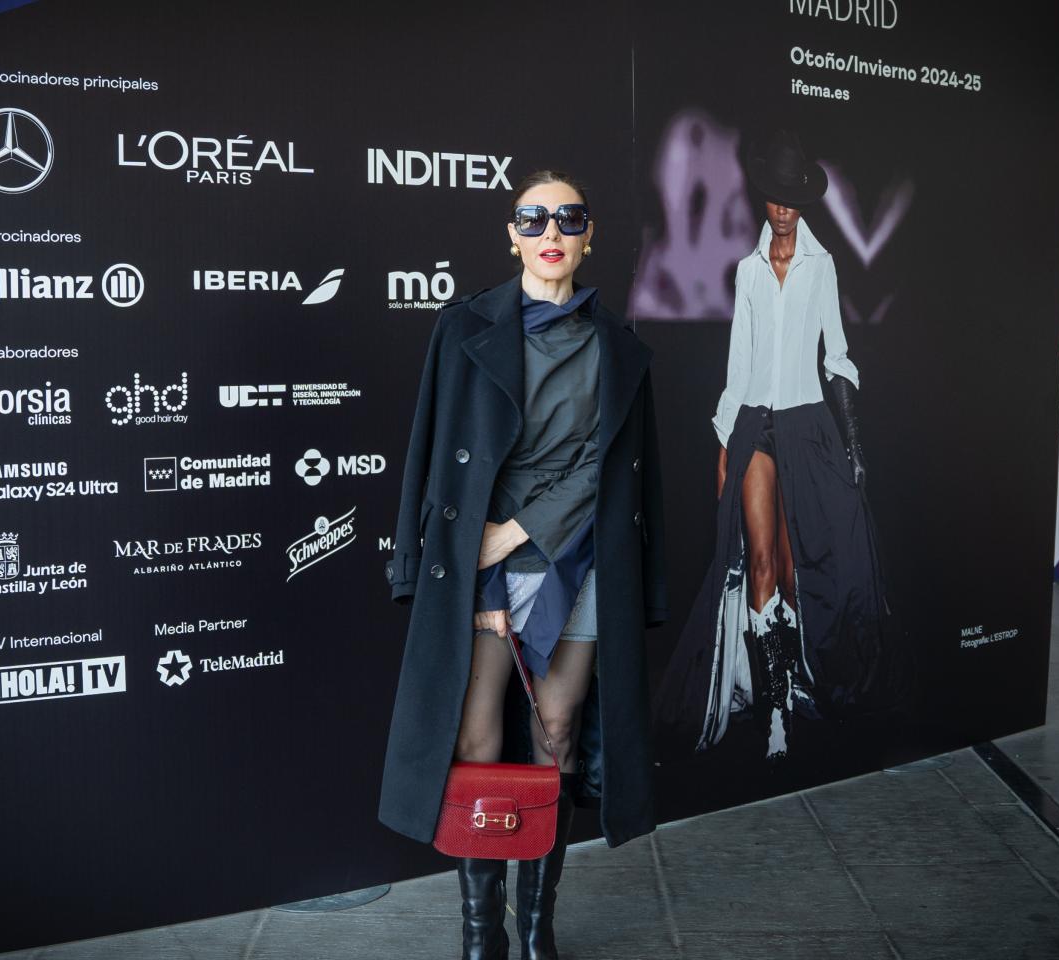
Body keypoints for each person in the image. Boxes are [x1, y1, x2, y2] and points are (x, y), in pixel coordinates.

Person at [379, 170, 668, 960]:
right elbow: (432, 456)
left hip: (579, 564)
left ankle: (536, 930)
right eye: (532, 217)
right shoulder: (463, 327)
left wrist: (517, 534)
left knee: (558, 736)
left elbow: (606, 468)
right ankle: (482, 935)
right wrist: (475, 561)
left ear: (588, 234)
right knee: (474, 741)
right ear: (511, 235)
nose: (551, 230)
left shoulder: (619, 348)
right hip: (480, 567)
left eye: (568, 217)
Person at [656, 129, 899, 761]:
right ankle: (773, 707)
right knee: (758, 561)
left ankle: (797, 685)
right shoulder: (747, 272)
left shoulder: (823, 267)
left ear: (804, 203)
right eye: (774, 196)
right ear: (765, 199)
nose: (783, 207)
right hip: (753, 428)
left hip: (809, 424)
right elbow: (738, 366)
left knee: (800, 571)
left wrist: (853, 443)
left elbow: (838, 355)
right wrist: (721, 441)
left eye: (793, 197)